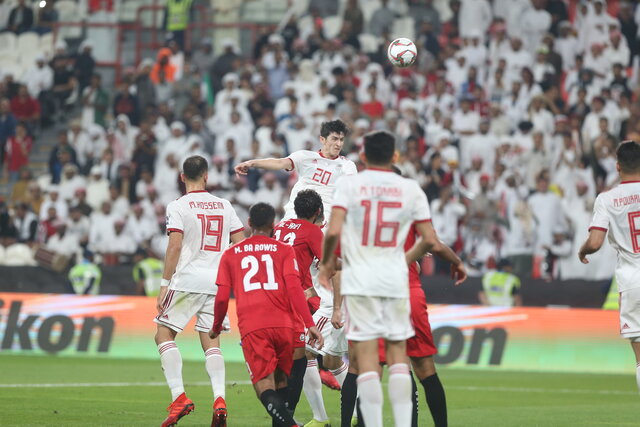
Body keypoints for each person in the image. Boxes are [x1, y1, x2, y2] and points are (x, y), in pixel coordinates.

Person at [318, 131, 466, 427]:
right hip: (402, 287)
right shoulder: (409, 189)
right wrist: (453, 262)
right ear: (395, 156)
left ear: (363, 156)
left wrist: (327, 265)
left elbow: (333, 232)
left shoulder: (350, 187)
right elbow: (431, 241)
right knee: (413, 365)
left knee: (365, 366)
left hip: (364, 288)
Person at [210, 202, 323, 427]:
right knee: (281, 382)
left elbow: (222, 297)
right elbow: (295, 289)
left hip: (254, 326)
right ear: (273, 225)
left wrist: (216, 326)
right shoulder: (284, 250)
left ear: (249, 223)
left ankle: (291, 425)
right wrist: (310, 324)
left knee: (263, 386)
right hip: (285, 326)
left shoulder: (231, 253)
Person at [154, 155, 245, 427]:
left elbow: (174, 246)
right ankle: (219, 400)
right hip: (217, 283)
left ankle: (179, 397)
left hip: (187, 280)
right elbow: (240, 242)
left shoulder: (178, 205)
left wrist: (164, 285)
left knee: (163, 334)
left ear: (182, 177)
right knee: (212, 343)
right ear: (206, 176)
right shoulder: (224, 205)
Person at [578, 140, 640, 394]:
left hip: (633, 280)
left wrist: (583, 250)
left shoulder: (608, 199)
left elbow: (595, 242)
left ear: (617, 167)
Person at [273, 189, 334, 425]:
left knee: (291, 358)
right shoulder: (312, 231)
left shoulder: (280, 227)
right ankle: (287, 416)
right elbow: (329, 265)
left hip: (271, 297)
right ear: (318, 211)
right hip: (293, 299)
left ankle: (292, 416)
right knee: (300, 358)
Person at [234, 119, 357, 221]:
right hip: (296, 213)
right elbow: (279, 163)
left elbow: (352, 189)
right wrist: (251, 163)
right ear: (322, 139)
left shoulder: (347, 165)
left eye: (341, 140)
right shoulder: (305, 156)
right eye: (334, 139)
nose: (339, 144)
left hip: (325, 216)